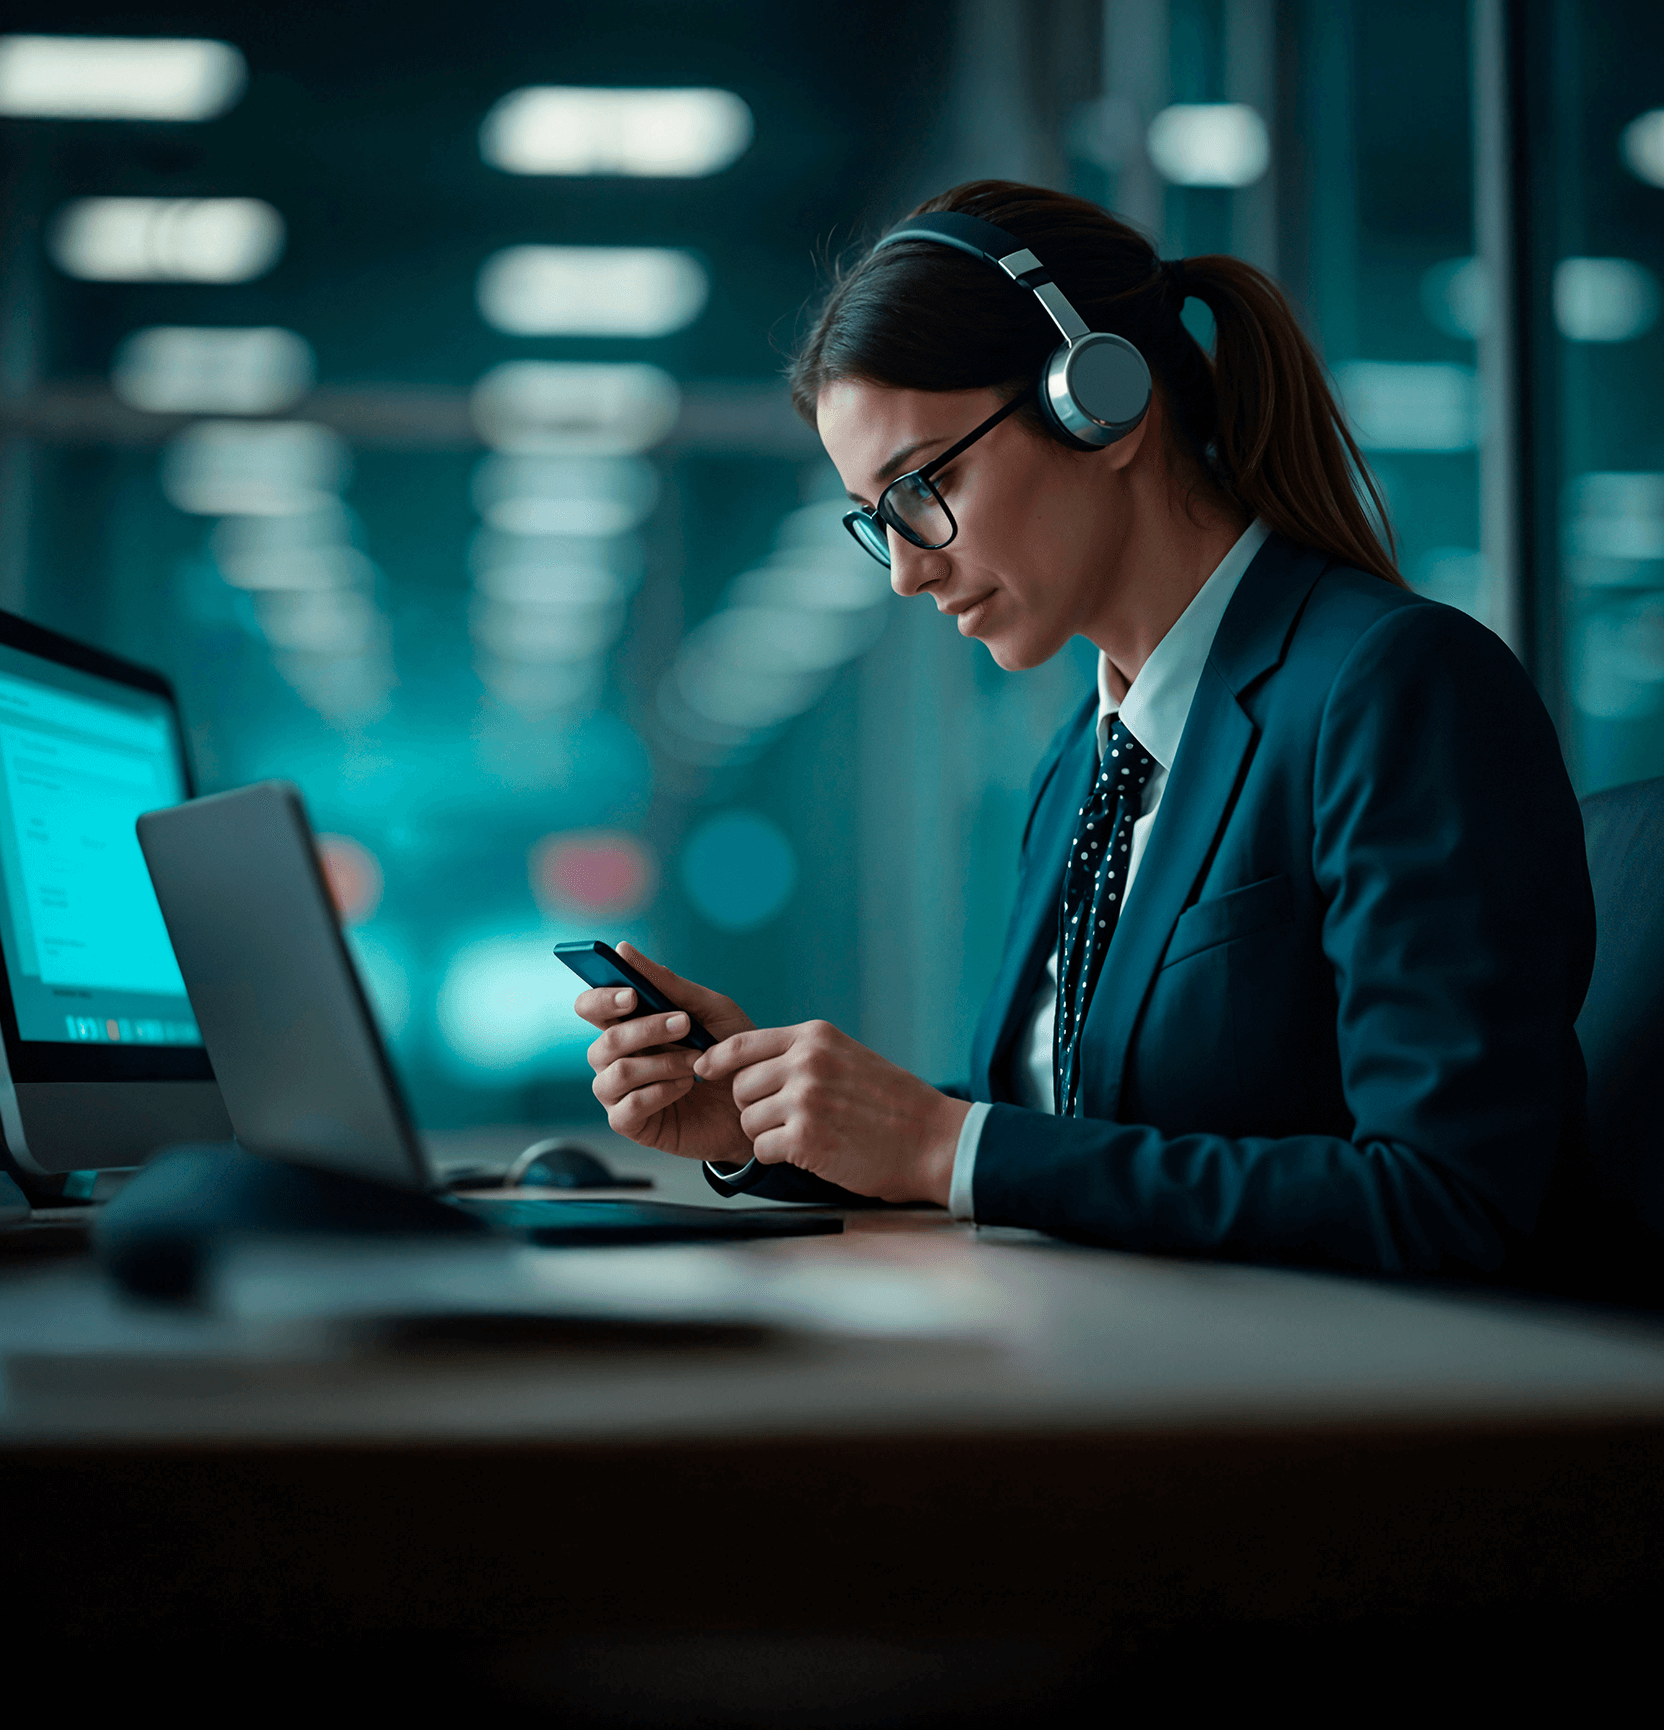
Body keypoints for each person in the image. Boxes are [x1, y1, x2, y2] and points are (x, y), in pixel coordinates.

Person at [577, 182, 1598, 1283]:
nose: (910, 567)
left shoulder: (1391, 685)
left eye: (923, 485)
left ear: (1099, 402)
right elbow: (1079, 1133)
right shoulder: (1087, 760)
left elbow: (1444, 1198)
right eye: (878, 520)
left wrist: (943, 1142)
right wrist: (774, 1118)